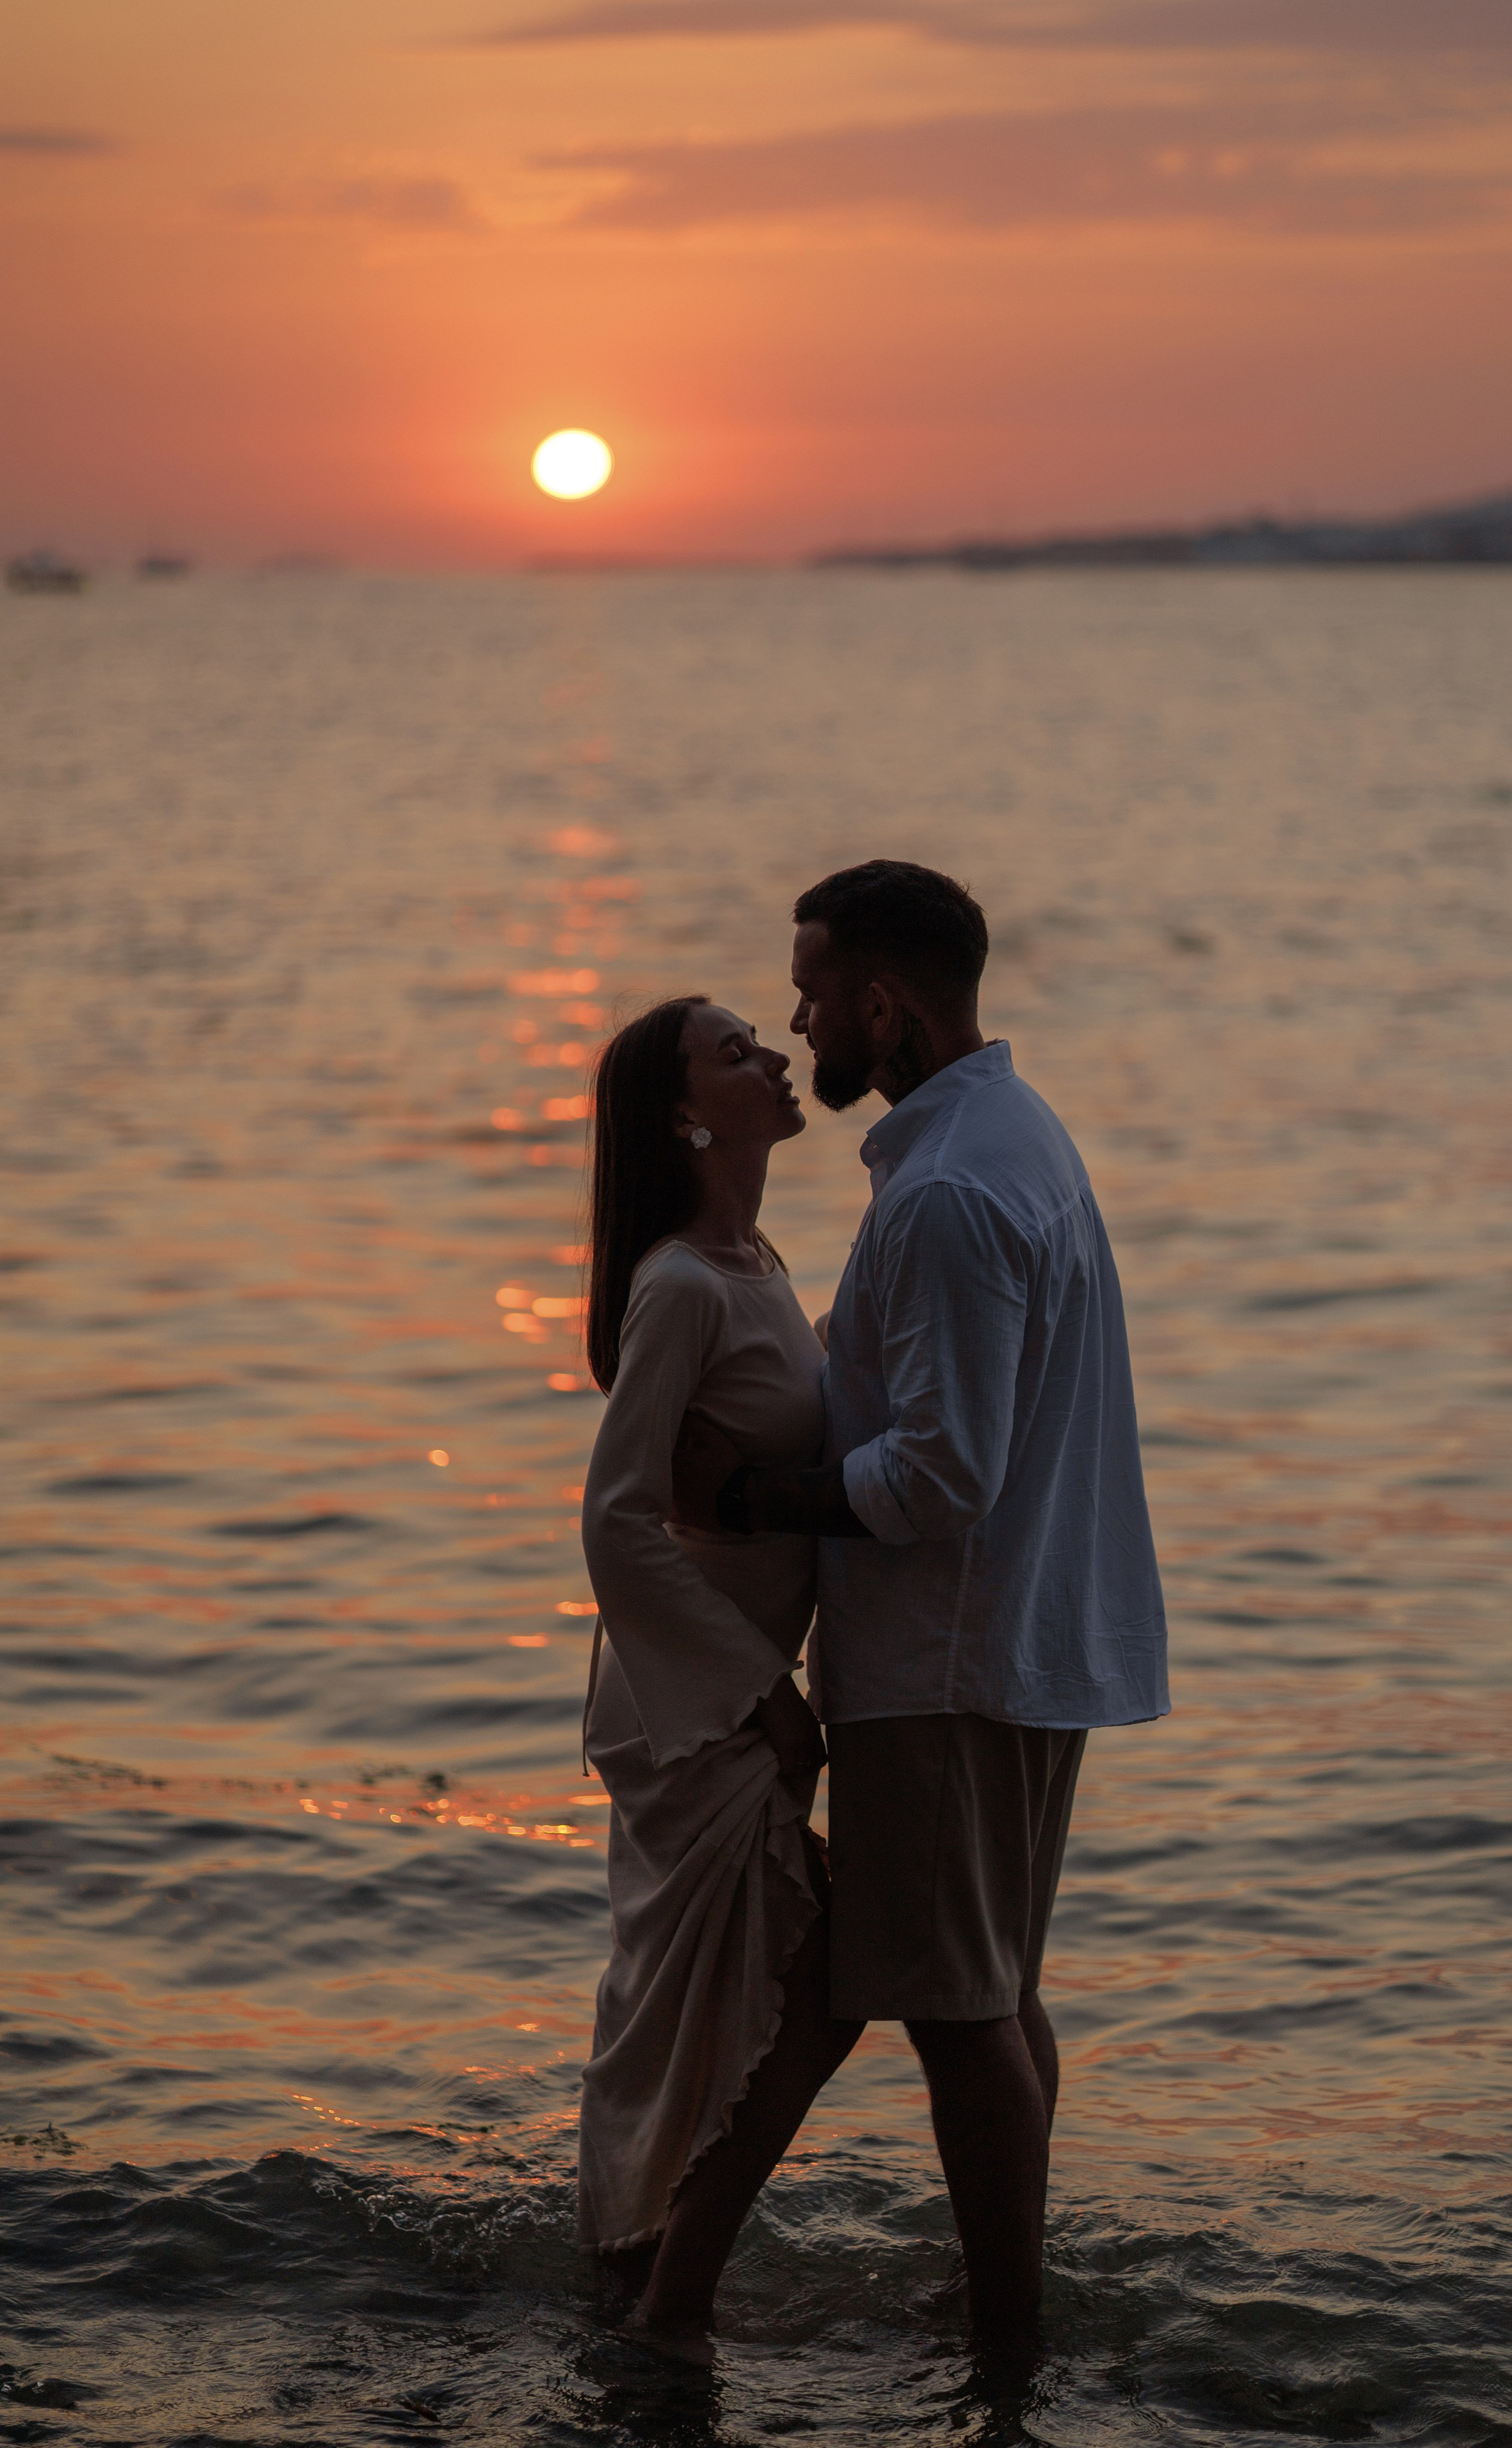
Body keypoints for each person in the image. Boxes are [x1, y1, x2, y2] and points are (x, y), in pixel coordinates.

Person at [674, 860, 1169, 2357]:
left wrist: (753, 1504)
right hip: (1011, 1641)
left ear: (882, 1004)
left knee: (962, 2018)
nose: (799, 1017)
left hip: (946, 1655)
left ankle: (1004, 2349)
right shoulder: (1004, 1140)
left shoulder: (950, 1191)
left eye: (813, 991)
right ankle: (982, 2313)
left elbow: (942, 1473)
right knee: (989, 1993)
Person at [576, 994, 861, 2366]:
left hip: (738, 1697)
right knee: (794, 1978)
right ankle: (665, 2294)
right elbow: (617, 1516)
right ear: (685, 1116)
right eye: (734, 1051)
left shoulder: (756, 1260)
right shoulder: (682, 1283)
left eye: (764, 1037)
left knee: (716, 2001)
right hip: (698, 1708)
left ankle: (643, 2270)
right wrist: (762, 1694)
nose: (774, 1057)